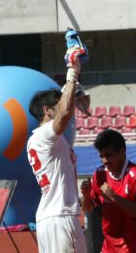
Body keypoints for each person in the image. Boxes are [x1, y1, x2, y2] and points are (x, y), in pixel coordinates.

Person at [26, 60, 88, 253]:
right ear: (47, 110)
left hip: (50, 217)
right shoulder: (46, 134)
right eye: (57, 105)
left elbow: (67, 109)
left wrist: (72, 90)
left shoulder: (42, 138)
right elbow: (66, 112)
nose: (61, 107)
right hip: (60, 217)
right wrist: (73, 71)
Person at [81, 129, 136, 253]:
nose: (104, 161)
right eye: (101, 156)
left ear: (122, 152)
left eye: (108, 155)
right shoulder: (100, 174)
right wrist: (86, 195)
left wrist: (114, 197)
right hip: (109, 248)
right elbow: (87, 208)